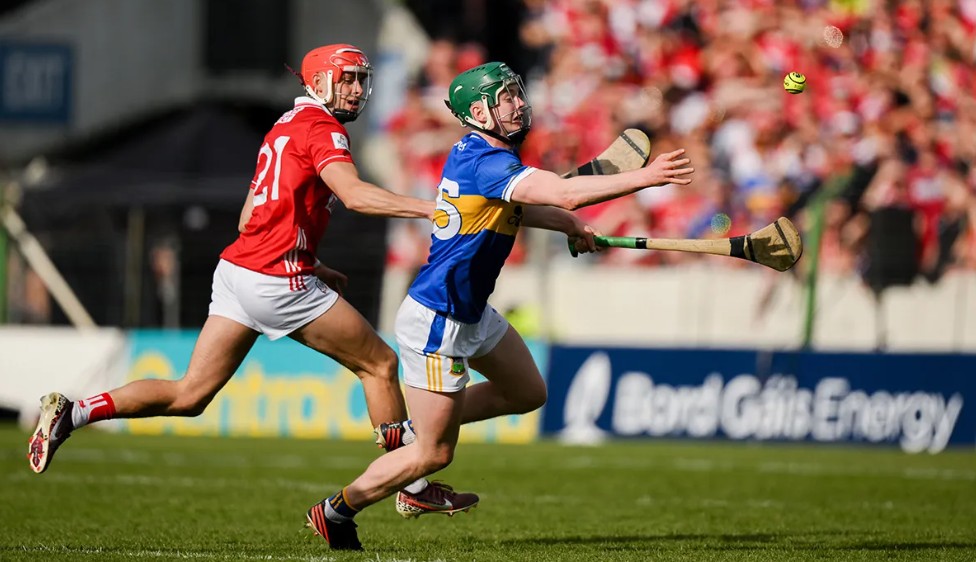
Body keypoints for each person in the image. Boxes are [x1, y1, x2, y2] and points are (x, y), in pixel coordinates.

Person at [26, 43, 478, 519]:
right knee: (380, 365)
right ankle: (411, 484)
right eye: (346, 78)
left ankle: (73, 413)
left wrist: (309, 259)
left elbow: (249, 218)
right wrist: (433, 209)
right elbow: (355, 196)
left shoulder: (285, 124)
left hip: (239, 270)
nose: (356, 89)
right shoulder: (323, 129)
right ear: (318, 82)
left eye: (361, 80)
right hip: (276, 278)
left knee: (189, 394)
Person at [304, 61, 694, 550]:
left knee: (527, 391)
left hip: (471, 312)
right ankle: (337, 510)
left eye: (516, 93)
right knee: (433, 455)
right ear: (478, 113)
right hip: (439, 320)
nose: (518, 104)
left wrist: (567, 225)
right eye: (504, 98)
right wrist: (647, 177)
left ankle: (411, 429)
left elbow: (515, 207)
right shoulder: (484, 162)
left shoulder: (485, 156)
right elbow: (566, 193)